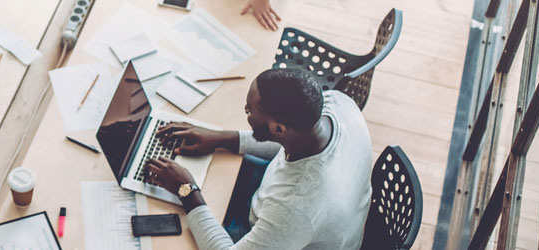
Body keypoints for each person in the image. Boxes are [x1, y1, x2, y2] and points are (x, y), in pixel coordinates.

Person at [144, 68, 373, 249]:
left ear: (279, 129)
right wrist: (221, 138)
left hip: (287, 232)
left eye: (250, 110)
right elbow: (287, 143)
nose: (246, 110)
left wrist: (187, 190)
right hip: (303, 215)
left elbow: (290, 211)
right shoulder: (338, 104)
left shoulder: (296, 206)